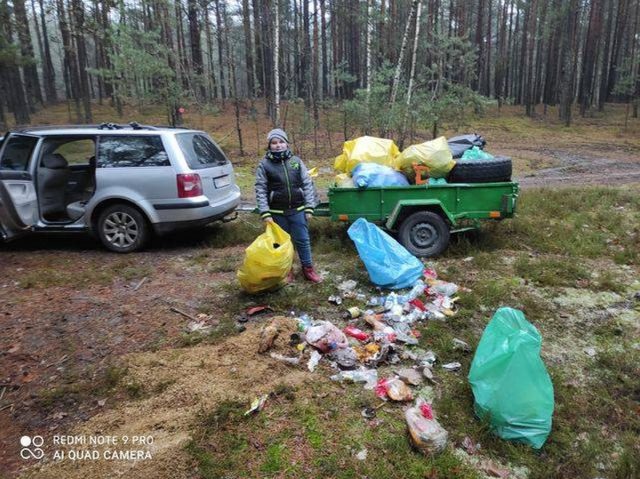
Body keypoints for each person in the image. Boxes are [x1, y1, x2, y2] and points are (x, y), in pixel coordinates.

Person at [255, 128, 322, 283]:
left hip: (298, 210)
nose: (278, 146)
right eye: (274, 143)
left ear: (286, 144)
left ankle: (308, 270)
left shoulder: (296, 162)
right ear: (269, 145)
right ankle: (287, 270)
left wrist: (309, 207)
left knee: (303, 240)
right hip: (277, 212)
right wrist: (265, 213)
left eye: (281, 142)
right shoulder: (264, 165)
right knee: (282, 244)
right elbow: (260, 188)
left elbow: (307, 183)